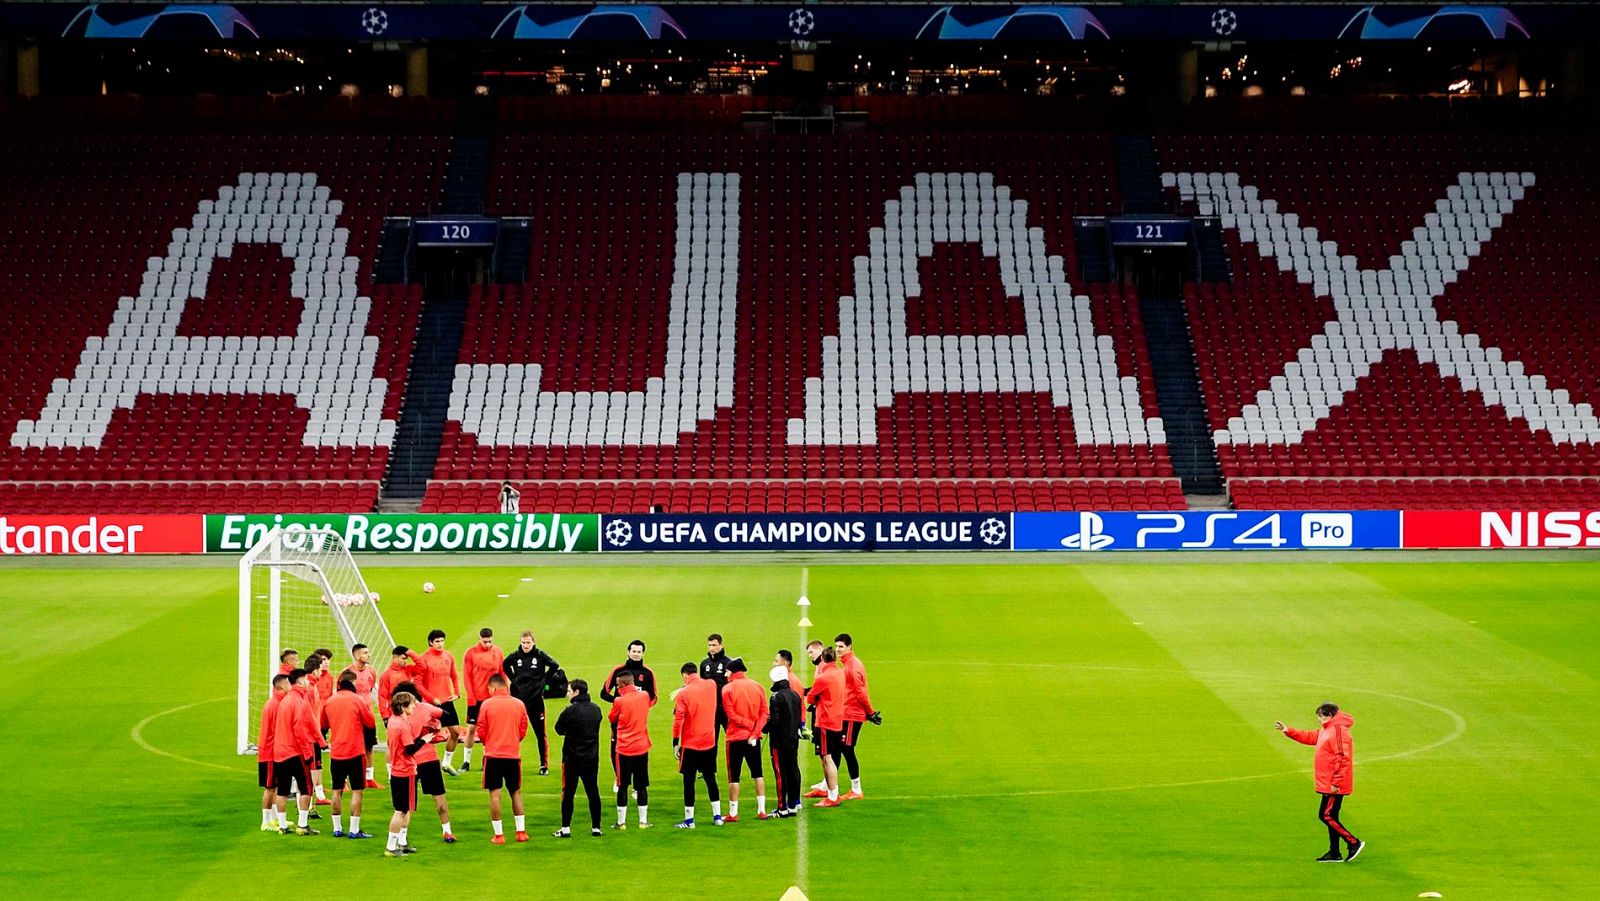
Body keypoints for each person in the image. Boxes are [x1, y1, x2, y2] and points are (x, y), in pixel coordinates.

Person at [1276, 703, 1365, 863]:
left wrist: (1336, 783)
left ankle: (1353, 842)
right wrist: (1288, 730)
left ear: (1330, 715)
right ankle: (1335, 852)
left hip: (1334, 784)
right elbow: (1312, 737)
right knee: (1332, 816)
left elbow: (1343, 757)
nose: (1319, 719)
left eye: (1321, 716)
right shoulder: (1328, 728)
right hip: (1329, 781)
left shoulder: (1338, 730)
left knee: (1326, 815)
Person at [393, 679, 456, 843]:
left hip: (409, 762)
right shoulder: (425, 708)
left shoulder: (396, 718)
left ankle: (402, 839)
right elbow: (448, 716)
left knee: (406, 804)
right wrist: (435, 727)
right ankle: (447, 831)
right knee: (439, 797)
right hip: (428, 758)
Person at [383, 692, 440, 858]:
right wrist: (424, 740)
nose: (415, 706)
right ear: (403, 707)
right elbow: (409, 749)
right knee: (400, 811)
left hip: (397, 770)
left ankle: (402, 842)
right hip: (405, 771)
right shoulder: (403, 725)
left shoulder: (392, 721)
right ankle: (391, 847)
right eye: (412, 704)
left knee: (406, 809)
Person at [476, 674, 531, 844]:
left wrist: (488, 742)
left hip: (493, 755)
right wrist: (513, 740)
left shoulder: (487, 704)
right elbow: (523, 729)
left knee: (495, 794)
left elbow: (481, 729)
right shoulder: (519, 704)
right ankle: (521, 832)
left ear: (492, 688)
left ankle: (499, 835)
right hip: (512, 755)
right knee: (515, 792)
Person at [322, 670, 377, 839]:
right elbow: (370, 722)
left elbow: (323, 725)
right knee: (357, 791)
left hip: (337, 753)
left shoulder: (330, 701)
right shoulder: (358, 700)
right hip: (355, 751)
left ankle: (337, 828)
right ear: (353, 683)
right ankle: (354, 830)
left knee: (336, 790)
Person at [601, 639, 657, 790]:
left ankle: (637, 786)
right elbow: (604, 693)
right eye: (634, 651)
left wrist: (640, 707)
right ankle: (619, 777)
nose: (636, 654)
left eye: (639, 652)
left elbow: (653, 696)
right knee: (615, 749)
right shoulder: (618, 671)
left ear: (643, 653)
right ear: (628, 652)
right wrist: (619, 703)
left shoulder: (648, 673)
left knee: (639, 750)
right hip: (619, 718)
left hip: (638, 719)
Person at [503, 630, 561, 776]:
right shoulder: (515, 656)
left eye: (528, 642)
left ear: (533, 642)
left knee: (540, 734)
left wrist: (543, 680)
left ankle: (544, 765)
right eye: (523, 642)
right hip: (518, 702)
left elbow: (555, 665)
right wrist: (513, 679)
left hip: (535, 701)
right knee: (513, 733)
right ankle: (511, 761)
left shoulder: (540, 655)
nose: (526, 645)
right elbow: (505, 665)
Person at [672, 662, 722, 828]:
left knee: (689, 781)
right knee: (710, 778)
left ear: (684, 676)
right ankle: (717, 817)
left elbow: (678, 720)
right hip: (709, 741)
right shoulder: (711, 685)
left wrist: (675, 742)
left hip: (691, 743)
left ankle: (689, 820)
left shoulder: (683, 693)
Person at [273, 669, 321, 834]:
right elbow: (299, 730)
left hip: (279, 753)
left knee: (282, 790)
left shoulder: (285, 700)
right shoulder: (298, 701)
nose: (308, 682)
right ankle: (302, 825)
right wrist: (307, 752)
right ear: (300, 682)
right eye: (306, 679)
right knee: (306, 788)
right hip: (294, 752)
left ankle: (283, 826)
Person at [553, 678, 604, 838]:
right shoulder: (596, 709)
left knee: (568, 793)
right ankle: (596, 827)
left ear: (576, 692)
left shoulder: (570, 711)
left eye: (569, 691)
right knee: (593, 791)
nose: (567, 694)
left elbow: (558, 729)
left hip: (572, 757)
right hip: (591, 757)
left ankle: (565, 828)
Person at [721, 657, 769, 822]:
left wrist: (748, 725)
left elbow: (731, 715)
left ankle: (733, 813)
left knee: (734, 776)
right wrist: (755, 731)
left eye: (727, 671)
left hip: (735, 737)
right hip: (753, 738)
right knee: (758, 773)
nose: (725, 674)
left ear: (733, 672)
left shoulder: (727, 689)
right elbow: (764, 713)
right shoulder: (758, 686)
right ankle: (762, 810)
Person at [834, 633, 881, 801]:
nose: (838, 650)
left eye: (841, 646)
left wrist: (870, 712)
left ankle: (856, 789)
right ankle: (831, 787)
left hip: (852, 714)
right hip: (846, 712)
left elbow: (861, 693)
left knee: (846, 749)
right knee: (838, 748)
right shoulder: (848, 664)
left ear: (849, 647)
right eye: (836, 646)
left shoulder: (852, 667)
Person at [607, 671, 653, 829]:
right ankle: (643, 821)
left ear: (624, 684)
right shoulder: (645, 696)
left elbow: (611, 718)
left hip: (624, 748)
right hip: (642, 746)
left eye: (618, 685)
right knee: (641, 785)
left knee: (623, 785)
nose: (617, 688)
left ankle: (621, 822)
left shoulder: (619, 701)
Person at [416, 630, 464, 775]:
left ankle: (446, 763)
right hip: (429, 704)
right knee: (427, 737)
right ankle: (420, 767)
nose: (440, 644)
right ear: (430, 642)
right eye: (437, 641)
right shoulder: (423, 659)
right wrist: (432, 699)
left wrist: (457, 693)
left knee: (455, 732)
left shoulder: (448, 656)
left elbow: (454, 676)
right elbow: (417, 683)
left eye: (442, 640)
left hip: (446, 701)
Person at [804, 646, 845, 808]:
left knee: (827, 759)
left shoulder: (823, 677)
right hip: (837, 720)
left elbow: (810, 698)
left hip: (825, 722)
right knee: (829, 758)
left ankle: (833, 796)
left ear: (823, 658)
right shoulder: (840, 673)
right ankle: (830, 792)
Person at [463, 627, 506, 774]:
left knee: (490, 730)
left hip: (493, 698)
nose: (488, 644)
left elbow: (502, 673)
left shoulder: (498, 652)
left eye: (490, 641)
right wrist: (470, 696)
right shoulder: (471, 653)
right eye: (485, 641)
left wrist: (505, 692)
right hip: (477, 698)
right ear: (479, 639)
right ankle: (466, 761)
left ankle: (486, 759)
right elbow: (467, 676)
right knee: (471, 729)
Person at [765, 664, 804, 818]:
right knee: (792, 770)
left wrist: (765, 728)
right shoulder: (795, 695)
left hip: (779, 742)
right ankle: (793, 804)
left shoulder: (776, 697)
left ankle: (782, 808)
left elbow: (774, 721)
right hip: (793, 740)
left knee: (780, 773)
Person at [347, 643, 382, 788]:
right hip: (353, 717)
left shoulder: (371, 671)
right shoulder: (347, 673)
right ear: (357, 655)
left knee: (369, 746)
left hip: (368, 715)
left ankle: (369, 778)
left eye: (368, 652)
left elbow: (371, 688)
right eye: (365, 653)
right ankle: (344, 780)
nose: (369, 655)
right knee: (349, 747)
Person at [257, 675, 289, 831]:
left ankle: (275, 818)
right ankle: (265, 821)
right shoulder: (275, 705)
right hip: (270, 752)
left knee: (274, 786)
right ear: (281, 686)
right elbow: (277, 730)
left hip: (273, 751)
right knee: (270, 788)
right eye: (288, 683)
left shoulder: (277, 702)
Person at [700, 633, 732, 738]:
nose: (711, 648)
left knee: (732, 736)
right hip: (711, 709)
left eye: (714, 645)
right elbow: (702, 685)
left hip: (726, 708)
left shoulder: (729, 663)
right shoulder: (704, 664)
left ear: (721, 645)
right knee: (711, 739)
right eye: (709, 645)